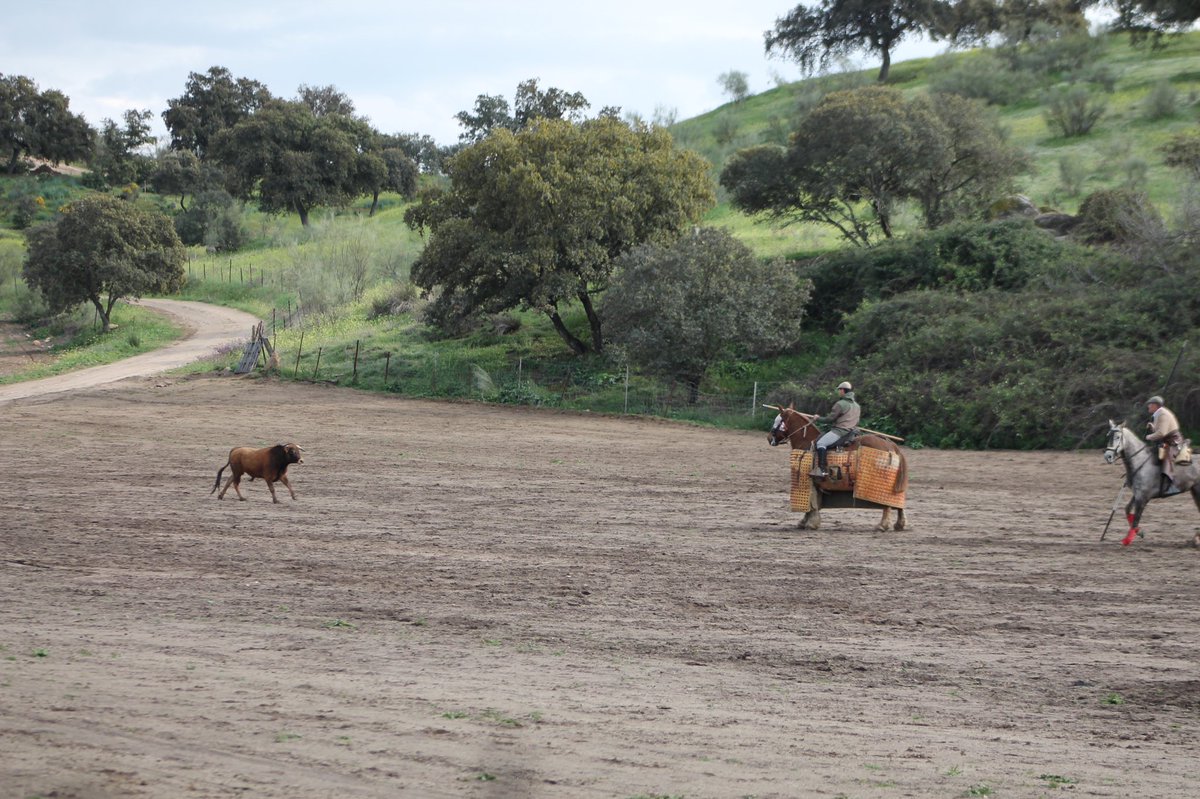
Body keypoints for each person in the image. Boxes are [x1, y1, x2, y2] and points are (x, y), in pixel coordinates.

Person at [810, 381, 860, 478]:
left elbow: (830, 419)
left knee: (821, 443)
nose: (838, 392)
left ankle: (822, 470)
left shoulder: (840, 404)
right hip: (852, 431)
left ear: (842, 390)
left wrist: (817, 418)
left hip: (840, 431)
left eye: (839, 390)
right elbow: (856, 421)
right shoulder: (857, 406)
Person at [1146, 395, 1184, 486]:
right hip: (1167, 440)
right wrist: (1153, 427)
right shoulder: (1159, 414)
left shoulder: (1163, 414)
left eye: (1150, 404)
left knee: (1167, 457)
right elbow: (1161, 430)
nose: (1148, 406)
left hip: (1173, 441)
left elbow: (1162, 433)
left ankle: (1170, 483)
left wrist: (1149, 437)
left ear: (1155, 405)